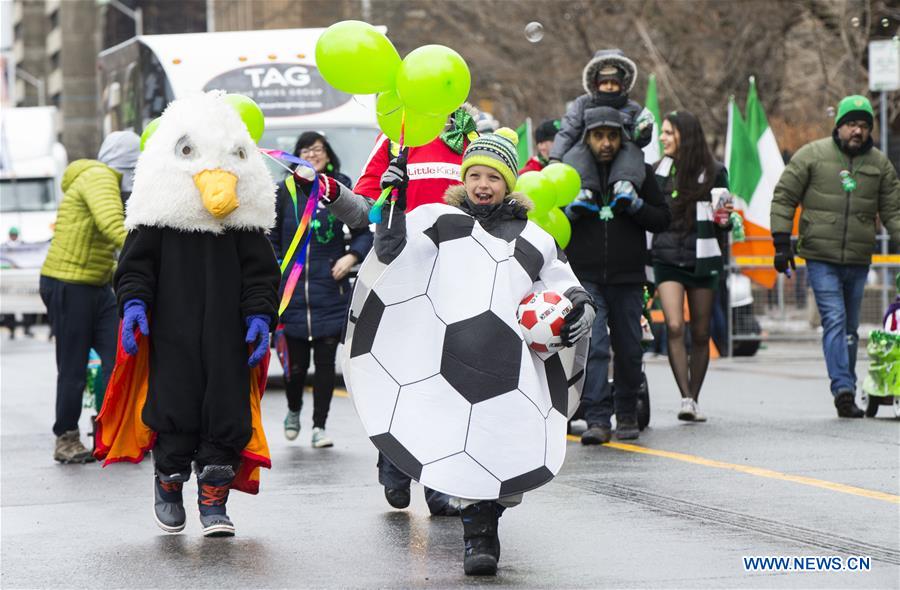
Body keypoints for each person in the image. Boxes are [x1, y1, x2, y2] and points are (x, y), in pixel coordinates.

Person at [370, 128, 593, 575]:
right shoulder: (440, 225)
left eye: (493, 176)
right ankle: (478, 538)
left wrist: (580, 307)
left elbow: (561, 280)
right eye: (475, 175)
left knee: (504, 456)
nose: (482, 185)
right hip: (446, 364)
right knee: (459, 449)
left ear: (508, 183)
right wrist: (393, 202)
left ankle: (489, 515)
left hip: (511, 369)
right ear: (464, 179)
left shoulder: (530, 236)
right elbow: (391, 253)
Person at [94, 92, 280, 537]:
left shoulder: (243, 223)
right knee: (173, 407)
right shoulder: (157, 219)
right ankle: (170, 483)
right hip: (171, 332)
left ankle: (214, 497)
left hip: (227, 335)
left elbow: (261, 273)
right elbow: (135, 267)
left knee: (227, 411)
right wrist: (135, 303)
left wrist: (259, 316)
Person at [329, 105, 480, 516]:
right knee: (404, 378)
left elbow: (488, 200)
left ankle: (438, 484)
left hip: (456, 280)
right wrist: (381, 189)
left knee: (445, 383)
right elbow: (362, 209)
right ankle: (394, 464)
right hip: (401, 278)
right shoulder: (396, 138)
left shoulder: (468, 139)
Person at [770, 95, 900, 418]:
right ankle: (842, 388)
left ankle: (847, 384)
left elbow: (894, 212)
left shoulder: (880, 165)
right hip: (820, 256)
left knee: (852, 329)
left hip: (857, 258)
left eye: (864, 125)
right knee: (835, 321)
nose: (858, 131)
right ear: (839, 125)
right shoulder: (811, 156)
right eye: (852, 124)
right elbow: (785, 196)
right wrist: (781, 242)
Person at [563, 107, 670, 443]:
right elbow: (554, 222)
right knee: (594, 345)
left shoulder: (638, 171)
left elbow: (662, 218)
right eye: (599, 136)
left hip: (627, 275)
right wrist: (572, 212)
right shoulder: (572, 173)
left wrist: (637, 206)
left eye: (612, 136)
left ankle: (626, 412)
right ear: (587, 139)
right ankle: (597, 418)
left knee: (629, 346)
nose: (606, 143)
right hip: (588, 275)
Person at [39, 130, 139, 464]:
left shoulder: (109, 181)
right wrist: (155, 253)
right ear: (127, 163)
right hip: (69, 283)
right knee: (74, 366)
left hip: (97, 285)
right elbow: (114, 226)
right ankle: (66, 437)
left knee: (119, 359)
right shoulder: (99, 177)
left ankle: (108, 431)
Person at [270, 132, 373, 448]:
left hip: (331, 290)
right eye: (306, 149)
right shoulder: (285, 192)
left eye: (318, 149)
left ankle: (319, 427)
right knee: (295, 366)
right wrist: (277, 266)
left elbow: (363, 232)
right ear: (295, 157)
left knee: (327, 364)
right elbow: (272, 237)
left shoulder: (341, 189)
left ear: (328, 156)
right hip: (294, 293)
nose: (313, 154)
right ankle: (293, 409)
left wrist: (350, 256)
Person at [651, 110, 732, 422]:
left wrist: (726, 219)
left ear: (685, 134)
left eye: (669, 133)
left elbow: (723, 221)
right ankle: (684, 396)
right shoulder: (657, 171)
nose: (663, 138)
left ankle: (694, 398)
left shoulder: (715, 171)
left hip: (703, 257)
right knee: (674, 326)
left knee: (701, 332)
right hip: (666, 258)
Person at [550, 48, 654, 196]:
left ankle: (624, 186)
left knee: (632, 150)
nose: (609, 86)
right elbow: (568, 130)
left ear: (622, 83)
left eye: (614, 82)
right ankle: (583, 191)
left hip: (621, 155)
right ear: (596, 83)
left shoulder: (632, 108)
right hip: (588, 155)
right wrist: (556, 158)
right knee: (576, 151)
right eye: (604, 82)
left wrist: (643, 132)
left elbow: (638, 139)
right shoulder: (582, 103)